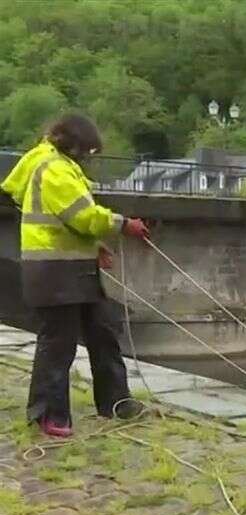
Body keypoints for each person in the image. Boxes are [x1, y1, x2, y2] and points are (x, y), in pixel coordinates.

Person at [1, 113, 152, 437]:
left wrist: (93, 245)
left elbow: (65, 222)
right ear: (74, 143)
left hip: (74, 267)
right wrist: (124, 225)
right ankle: (47, 414)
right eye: (88, 151)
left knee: (102, 333)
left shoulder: (57, 165)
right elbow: (82, 215)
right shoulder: (53, 168)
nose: (89, 158)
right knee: (58, 344)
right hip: (54, 272)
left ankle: (116, 403)